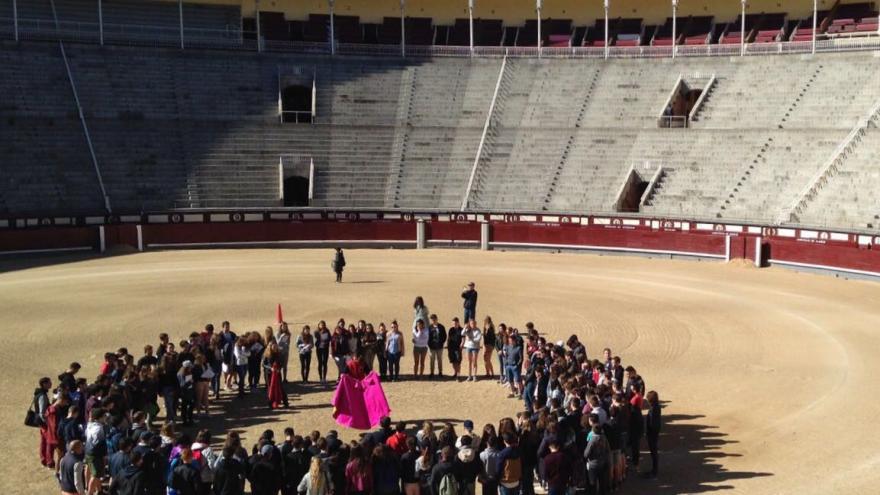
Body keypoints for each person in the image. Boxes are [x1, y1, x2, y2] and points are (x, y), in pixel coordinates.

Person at [644, 390, 661, 478]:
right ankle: (654, 470)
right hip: (654, 433)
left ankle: (654, 471)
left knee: (653, 451)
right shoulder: (656, 407)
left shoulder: (653, 409)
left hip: (652, 434)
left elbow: (652, 423)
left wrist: (648, 432)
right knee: (653, 451)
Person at [427, 315, 447, 379]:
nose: (433, 320)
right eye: (432, 319)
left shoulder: (441, 327)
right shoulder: (429, 327)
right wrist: (429, 344)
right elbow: (427, 336)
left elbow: (444, 336)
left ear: (436, 319)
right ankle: (432, 373)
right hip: (432, 347)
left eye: (434, 319)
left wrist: (442, 342)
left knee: (439, 360)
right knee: (432, 360)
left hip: (439, 347)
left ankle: (440, 372)